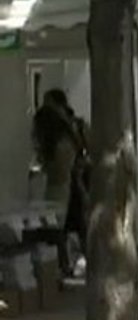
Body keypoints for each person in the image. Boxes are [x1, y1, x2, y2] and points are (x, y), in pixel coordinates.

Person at [31, 89, 89, 276]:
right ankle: (66, 266)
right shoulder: (65, 131)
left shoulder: (65, 132)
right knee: (71, 228)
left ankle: (65, 266)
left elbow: (61, 168)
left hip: (67, 184)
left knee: (64, 227)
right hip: (69, 183)